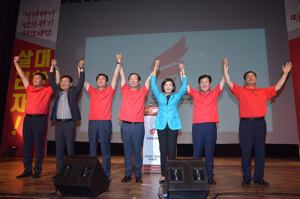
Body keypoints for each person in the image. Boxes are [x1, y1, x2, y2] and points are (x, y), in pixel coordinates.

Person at [223, 58, 293, 186]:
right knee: (246, 151)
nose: (250, 77)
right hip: (246, 124)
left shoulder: (263, 91)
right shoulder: (241, 91)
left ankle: (259, 177)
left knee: (260, 151)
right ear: (244, 80)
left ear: (256, 79)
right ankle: (246, 177)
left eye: (253, 76)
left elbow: (277, 87)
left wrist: (285, 74)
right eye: (248, 76)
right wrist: (225, 68)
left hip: (260, 124)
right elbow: (228, 82)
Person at [79, 54, 122, 182]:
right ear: (97, 82)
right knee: (92, 149)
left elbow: (115, 77)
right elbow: (82, 81)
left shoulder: (110, 91)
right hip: (92, 122)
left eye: (103, 79)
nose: (101, 80)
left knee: (105, 148)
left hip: (105, 122)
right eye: (99, 79)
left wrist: (119, 63)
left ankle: (106, 173)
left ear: (107, 82)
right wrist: (80, 68)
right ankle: (91, 171)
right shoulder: (92, 91)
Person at [14, 56, 60, 179]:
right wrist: (16, 63)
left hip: (39, 120)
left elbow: (57, 82)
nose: (34, 80)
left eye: (37, 78)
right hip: (28, 119)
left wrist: (53, 67)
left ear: (43, 81)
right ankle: (27, 170)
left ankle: (37, 170)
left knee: (39, 145)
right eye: (34, 78)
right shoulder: (29, 89)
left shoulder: (47, 90)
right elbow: (22, 75)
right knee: (27, 145)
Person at [184, 60, 225, 185]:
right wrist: (183, 71)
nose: (203, 84)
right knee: (196, 152)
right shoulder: (196, 94)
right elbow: (185, 85)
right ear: (199, 85)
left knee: (209, 152)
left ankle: (210, 176)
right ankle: (195, 176)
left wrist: (225, 68)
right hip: (197, 126)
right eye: (201, 82)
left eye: (206, 82)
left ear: (210, 84)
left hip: (210, 126)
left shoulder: (215, 93)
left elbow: (223, 81)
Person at [151, 60, 187, 183]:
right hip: (161, 126)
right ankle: (163, 174)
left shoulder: (176, 97)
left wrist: (182, 71)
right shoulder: (159, 96)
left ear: (172, 87)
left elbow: (184, 87)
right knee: (163, 150)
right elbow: (153, 84)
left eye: (170, 85)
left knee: (172, 151)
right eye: (166, 85)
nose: (168, 87)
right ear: (163, 87)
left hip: (173, 126)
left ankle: (173, 174)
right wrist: (156, 67)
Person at [49, 60, 85, 180]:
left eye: (66, 81)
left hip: (69, 124)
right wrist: (53, 67)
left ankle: (70, 172)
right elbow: (50, 80)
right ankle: (59, 172)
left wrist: (80, 68)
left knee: (70, 150)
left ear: (70, 84)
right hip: (59, 124)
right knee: (59, 150)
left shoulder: (74, 92)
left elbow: (81, 81)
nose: (64, 83)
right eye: (62, 81)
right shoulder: (58, 92)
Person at [118, 57, 152, 183]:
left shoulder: (142, 92)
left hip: (138, 126)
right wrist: (120, 63)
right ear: (129, 82)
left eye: (135, 79)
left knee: (138, 151)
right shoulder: (124, 90)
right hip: (125, 126)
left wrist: (155, 68)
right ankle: (128, 174)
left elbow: (149, 79)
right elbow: (121, 75)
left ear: (138, 82)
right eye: (130, 79)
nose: (132, 80)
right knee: (127, 152)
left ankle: (138, 174)